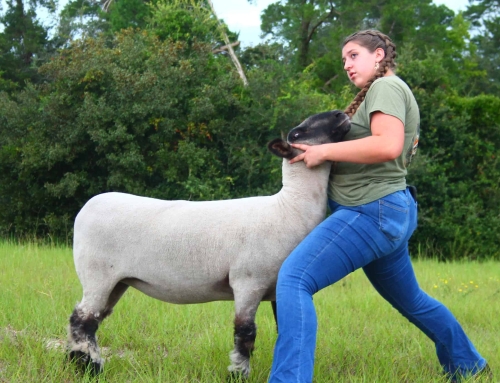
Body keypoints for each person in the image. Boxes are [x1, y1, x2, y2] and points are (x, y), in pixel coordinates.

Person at [267, 29, 490, 383]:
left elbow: (387, 145)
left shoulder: (387, 87)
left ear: (380, 55)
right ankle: (469, 366)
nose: (347, 65)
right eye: (344, 60)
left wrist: (323, 151)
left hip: (370, 212)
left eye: (354, 55)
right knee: (413, 300)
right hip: (385, 211)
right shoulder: (380, 91)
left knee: (294, 280)